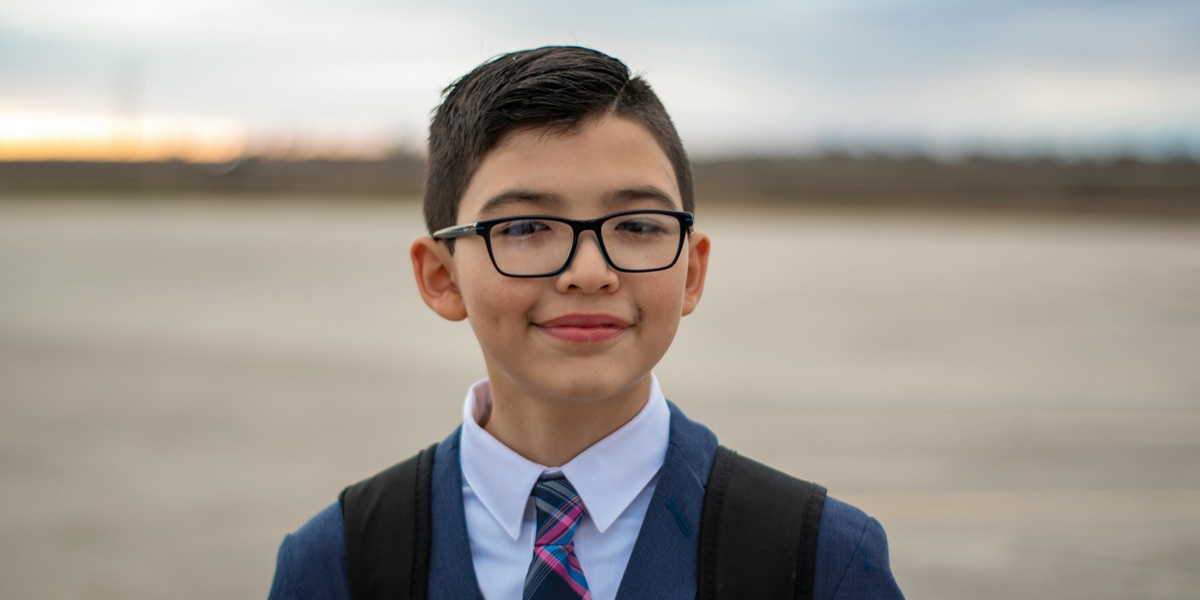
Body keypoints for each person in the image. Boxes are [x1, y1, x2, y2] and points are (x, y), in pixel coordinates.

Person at [267, 45, 903, 600]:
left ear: (691, 271)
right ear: (441, 276)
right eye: (524, 227)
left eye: (638, 225)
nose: (590, 272)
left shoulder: (817, 558)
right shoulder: (339, 563)